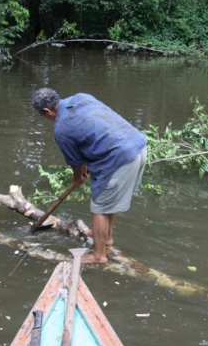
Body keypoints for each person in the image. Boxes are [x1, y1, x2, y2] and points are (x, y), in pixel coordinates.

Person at [32, 88, 147, 264]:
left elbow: (76, 163)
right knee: (109, 198)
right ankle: (106, 236)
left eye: (44, 116)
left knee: (99, 207)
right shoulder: (81, 97)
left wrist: (78, 178)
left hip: (119, 158)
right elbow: (96, 128)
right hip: (138, 146)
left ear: (47, 111)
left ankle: (99, 255)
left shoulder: (61, 128)